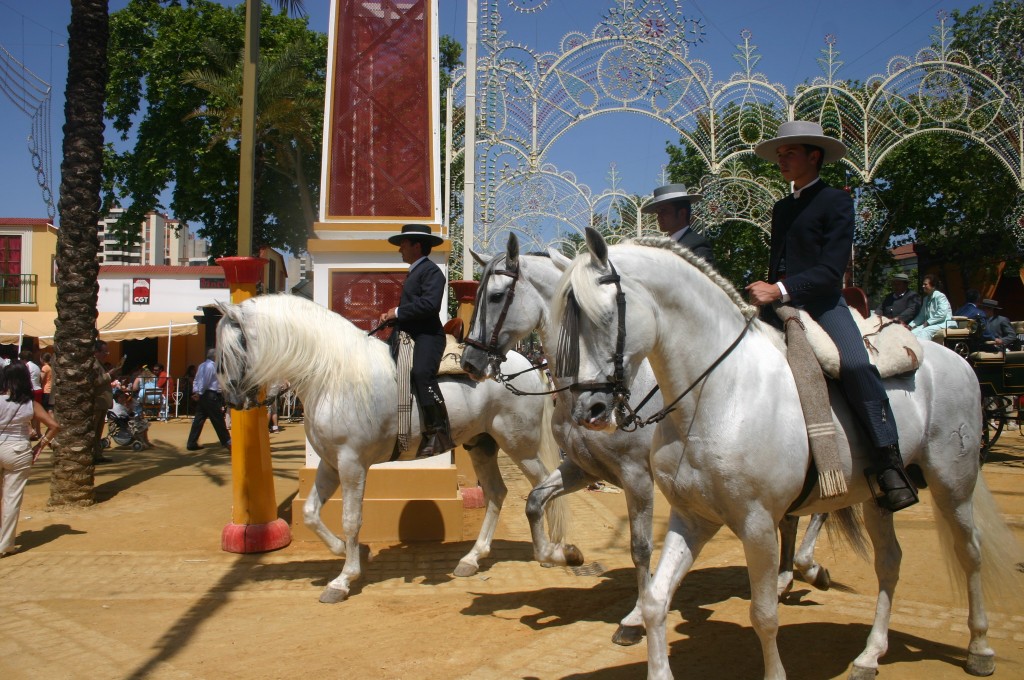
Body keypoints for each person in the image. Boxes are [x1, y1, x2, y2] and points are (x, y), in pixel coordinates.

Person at [746, 119, 917, 512]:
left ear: (814, 156)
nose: (781, 159)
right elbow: (779, 265)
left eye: (789, 153)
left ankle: (888, 460)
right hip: (778, 306)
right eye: (780, 154)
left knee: (855, 365)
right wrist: (765, 292)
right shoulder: (781, 208)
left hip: (824, 304)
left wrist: (781, 289)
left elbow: (829, 271)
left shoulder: (836, 201)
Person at [377, 223, 454, 458]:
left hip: (428, 335)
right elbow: (413, 307)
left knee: (421, 373)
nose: (400, 249)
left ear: (417, 246)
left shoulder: (432, 272)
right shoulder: (416, 271)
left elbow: (430, 306)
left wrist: (397, 312)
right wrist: (394, 316)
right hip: (408, 334)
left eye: (403, 244)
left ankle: (438, 431)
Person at [0, 362, 60, 557]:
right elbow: (54, 426)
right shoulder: (30, 404)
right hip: (19, 451)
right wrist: (40, 446)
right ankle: (5, 544)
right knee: (12, 499)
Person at [641, 183, 715, 265]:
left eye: (663, 211)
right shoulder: (661, 246)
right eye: (657, 212)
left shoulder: (698, 246)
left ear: (682, 213)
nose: (659, 217)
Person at [186, 348, 231, 451]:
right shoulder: (211, 366)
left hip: (205, 395)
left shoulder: (202, 365)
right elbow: (205, 382)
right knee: (218, 419)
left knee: (199, 420)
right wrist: (199, 392)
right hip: (210, 395)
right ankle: (227, 442)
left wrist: (196, 391)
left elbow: (197, 380)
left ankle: (192, 442)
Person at [908, 274, 955, 340]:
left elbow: (942, 313)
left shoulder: (940, 296)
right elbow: (921, 316)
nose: (923, 286)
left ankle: (923, 350)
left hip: (943, 324)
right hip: (932, 325)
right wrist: (910, 325)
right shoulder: (926, 299)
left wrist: (928, 322)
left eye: (925, 284)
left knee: (925, 332)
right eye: (923, 284)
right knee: (912, 333)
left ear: (933, 286)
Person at [92, 341, 116, 464]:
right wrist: (108, 375)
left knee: (99, 431)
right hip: (97, 402)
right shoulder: (93, 364)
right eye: (104, 352)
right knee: (94, 430)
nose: (106, 355)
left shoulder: (99, 364)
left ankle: (97, 454)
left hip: (102, 403)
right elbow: (95, 381)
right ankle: (93, 454)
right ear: (96, 352)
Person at [19, 350, 43, 439]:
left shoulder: (27, 366)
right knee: (37, 413)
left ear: (23, 359)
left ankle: (32, 432)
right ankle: (37, 432)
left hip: (31, 390)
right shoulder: (36, 366)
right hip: (38, 389)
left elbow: (24, 379)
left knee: (28, 412)